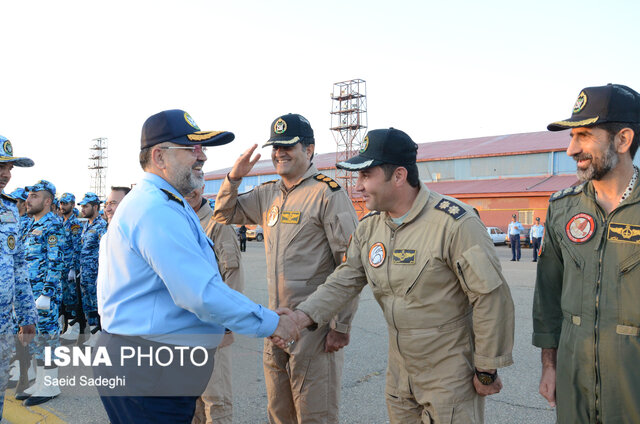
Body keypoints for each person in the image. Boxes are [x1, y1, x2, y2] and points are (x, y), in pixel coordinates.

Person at [277, 128, 515, 424]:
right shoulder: (370, 228)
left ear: (399, 176)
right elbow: (345, 279)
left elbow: (490, 298)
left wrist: (486, 369)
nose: (358, 186)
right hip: (399, 375)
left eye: (366, 176)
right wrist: (299, 319)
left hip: (450, 374)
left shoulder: (455, 224)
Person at [95, 109, 299, 423]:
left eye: (202, 148)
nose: (201, 156)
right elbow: (200, 293)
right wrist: (272, 323)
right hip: (148, 369)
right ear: (160, 156)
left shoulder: (163, 202)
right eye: (192, 149)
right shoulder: (154, 209)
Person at [214, 113, 359, 424]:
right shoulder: (269, 193)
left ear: (309, 149)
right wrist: (234, 177)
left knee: (314, 415)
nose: (279, 152)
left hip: (314, 328)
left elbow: (351, 265)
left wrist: (341, 326)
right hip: (274, 323)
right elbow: (225, 214)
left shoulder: (328, 193)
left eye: (287, 146)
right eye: (275, 147)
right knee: (279, 413)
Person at [533, 83, 640, 423]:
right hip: (573, 382)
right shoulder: (563, 208)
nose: (571, 149)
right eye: (570, 136)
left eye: (583, 135)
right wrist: (549, 366)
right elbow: (548, 295)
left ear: (623, 140)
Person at [185, 185, 244, 424]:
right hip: (183, 326)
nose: (186, 193)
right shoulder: (176, 221)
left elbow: (232, 273)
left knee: (215, 399)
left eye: (191, 188)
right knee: (190, 399)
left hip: (211, 325)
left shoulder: (218, 224)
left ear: (200, 189)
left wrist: (227, 323)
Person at [19, 179, 66, 406]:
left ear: (48, 201)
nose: (28, 200)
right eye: (29, 195)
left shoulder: (53, 224)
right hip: (30, 294)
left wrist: (47, 293)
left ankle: (51, 384)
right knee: (38, 338)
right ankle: (41, 382)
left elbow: (56, 261)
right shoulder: (29, 224)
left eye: (35, 196)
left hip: (44, 295)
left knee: (48, 337)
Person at [0, 136, 37, 417]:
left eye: (10, 166)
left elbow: (19, 264)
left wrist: (27, 315)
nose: (6, 173)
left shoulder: (10, 209)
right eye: (0, 165)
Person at [77, 192, 107, 344]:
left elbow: (105, 249)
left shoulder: (101, 226)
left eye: (86, 206)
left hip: (95, 273)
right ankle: (93, 334)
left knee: (96, 304)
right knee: (87, 304)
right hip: (85, 272)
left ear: (95, 207)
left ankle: (99, 336)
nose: (83, 209)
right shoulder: (87, 225)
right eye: (82, 206)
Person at [58, 192, 84, 342]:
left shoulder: (74, 224)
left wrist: (74, 268)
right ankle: (67, 328)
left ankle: (74, 330)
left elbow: (77, 247)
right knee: (65, 300)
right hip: (62, 267)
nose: (62, 206)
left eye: (66, 204)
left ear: (73, 205)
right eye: (61, 203)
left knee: (73, 300)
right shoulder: (62, 222)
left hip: (70, 268)